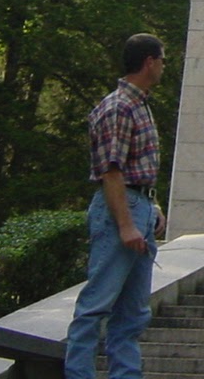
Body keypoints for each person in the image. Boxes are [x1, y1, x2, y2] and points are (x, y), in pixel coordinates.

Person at [64, 33, 168, 379]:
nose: (164, 67)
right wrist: (126, 223)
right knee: (97, 304)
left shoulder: (139, 105)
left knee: (133, 313)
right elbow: (111, 171)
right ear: (149, 62)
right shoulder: (119, 107)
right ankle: (79, 374)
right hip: (119, 208)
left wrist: (151, 207)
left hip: (139, 205)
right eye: (162, 60)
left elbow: (137, 169)